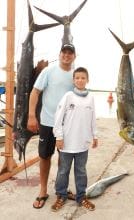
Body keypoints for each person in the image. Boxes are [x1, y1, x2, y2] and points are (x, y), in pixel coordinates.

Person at [27, 43, 76, 209]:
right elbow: (35, 92)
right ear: (60, 53)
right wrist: (32, 115)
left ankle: (62, 189)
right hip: (48, 123)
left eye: (70, 53)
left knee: (65, 158)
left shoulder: (76, 75)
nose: (66, 55)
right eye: (64, 52)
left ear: (74, 56)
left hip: (67, 125)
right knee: (45, 157)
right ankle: (43, 190)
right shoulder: (48, 71)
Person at [51, 67, 98, 211]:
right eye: (77, 78)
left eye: (83, 77)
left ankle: (81, 197)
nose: (80, 80)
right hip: (66, 143)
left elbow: (92, 119)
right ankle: (61, 195)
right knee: (63, 171)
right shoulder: (68, 96)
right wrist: (58, 136)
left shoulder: (91, 98)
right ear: (73, 80)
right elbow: (58, 118)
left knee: (81, 171)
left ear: (87, 80)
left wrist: (95, 136)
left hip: (83, 144)